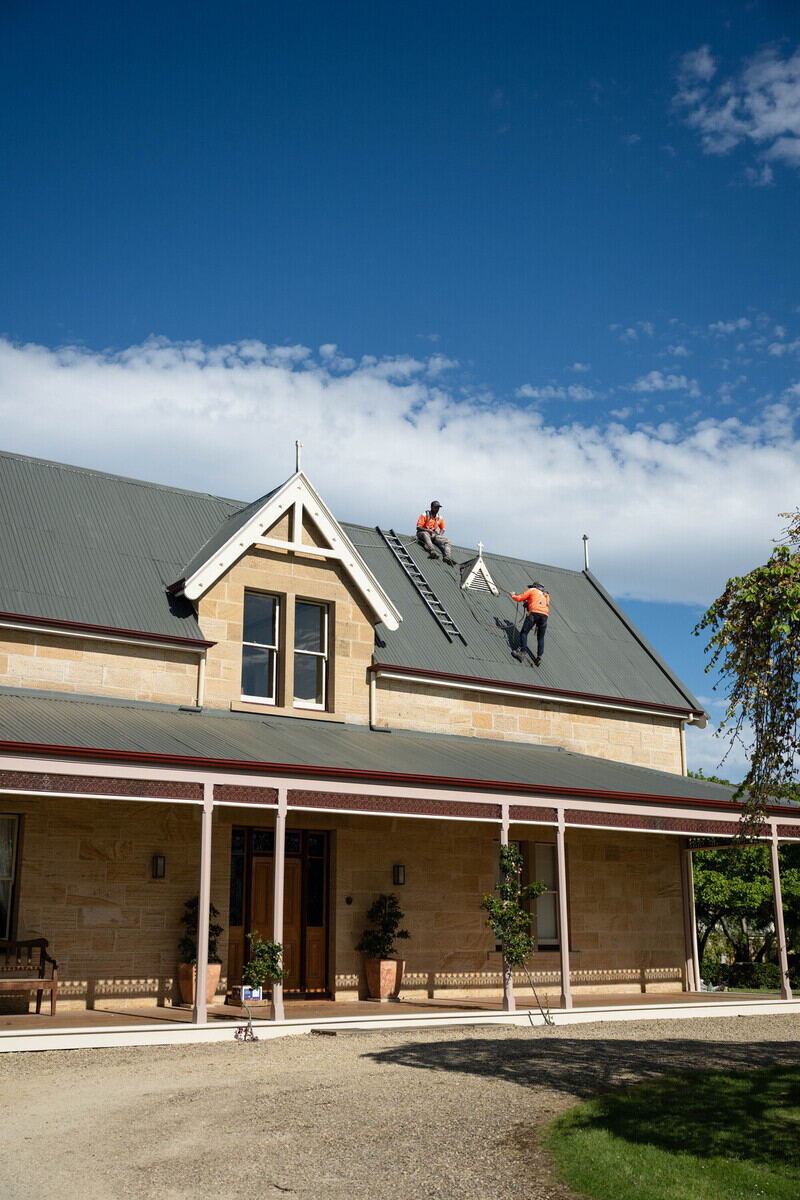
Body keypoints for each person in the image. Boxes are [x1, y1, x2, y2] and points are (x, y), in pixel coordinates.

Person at [510, 581, 550, 665]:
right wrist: (528, 604)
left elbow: (520, 598)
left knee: (524, 632)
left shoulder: (532, 590)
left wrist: (513, 595)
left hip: (534, 613)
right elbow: (542, 605)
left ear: (535, 586)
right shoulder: (546, 595)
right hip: (544, 617)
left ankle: (522, 652)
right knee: (541, 637)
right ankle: (539, 658)